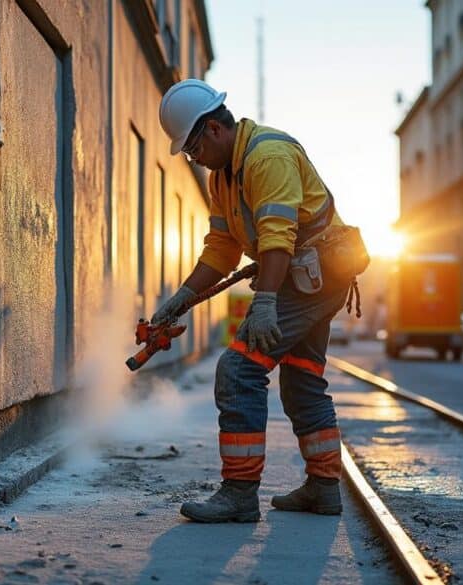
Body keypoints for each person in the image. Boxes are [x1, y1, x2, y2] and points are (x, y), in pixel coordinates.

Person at [154, 79, 351, 522]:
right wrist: (183, 297)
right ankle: (323, 488)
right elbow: (222, 247)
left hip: (310, 275)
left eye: (192, 149)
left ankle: (240, 493)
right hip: (302, 274)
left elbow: (277, 240)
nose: (194, 159)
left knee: (239, 370)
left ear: (214, 131)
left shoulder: (268, 157)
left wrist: (263, 304)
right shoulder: (222, 177)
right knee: (301, 379)